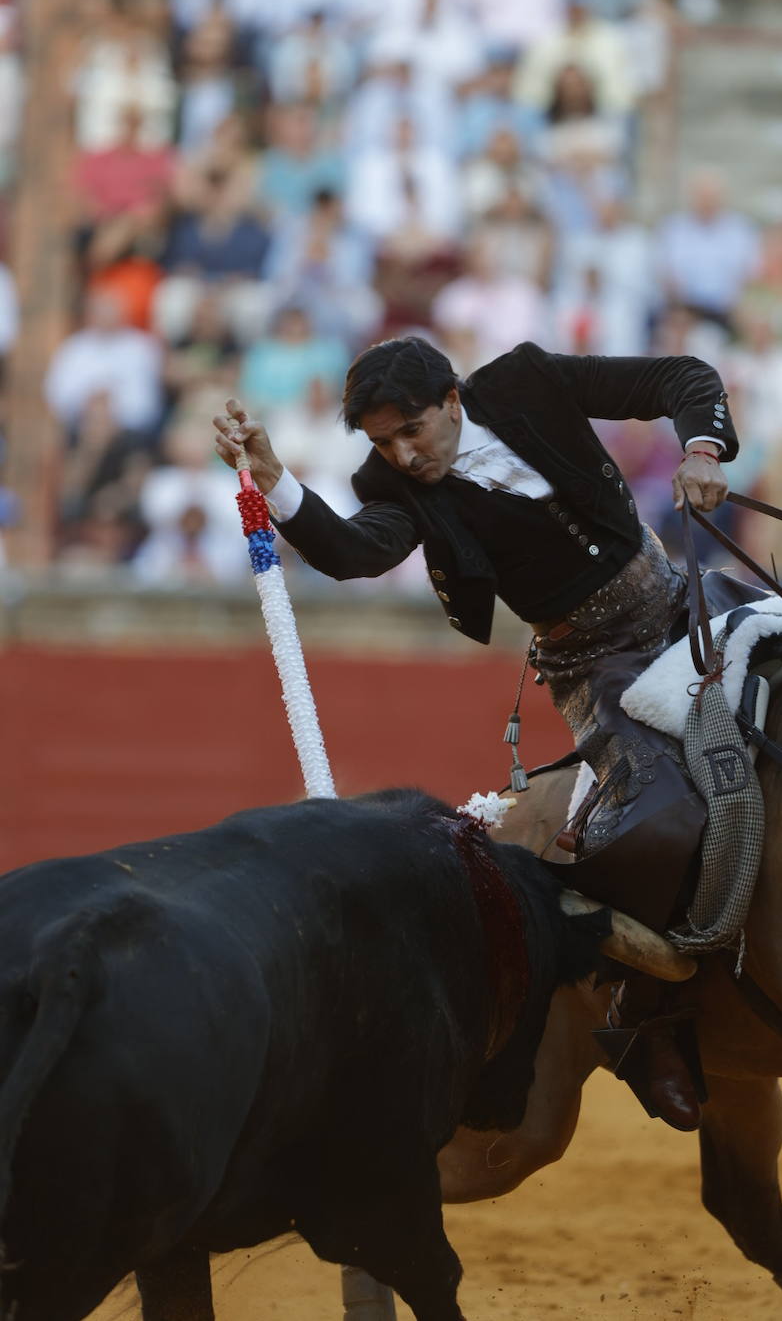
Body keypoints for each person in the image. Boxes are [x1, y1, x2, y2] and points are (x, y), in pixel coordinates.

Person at [213, 337, 742, 1131]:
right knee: (645, 828)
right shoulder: (389, 486)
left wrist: (700, 450)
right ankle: (645, 1019)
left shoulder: (528, 381)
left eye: (413, 430)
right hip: (597, 667)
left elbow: (679, 376)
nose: (403, 454)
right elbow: (356, 553)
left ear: (454, 400)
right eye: (384, 442)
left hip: (686, 601)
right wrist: (275, 480)